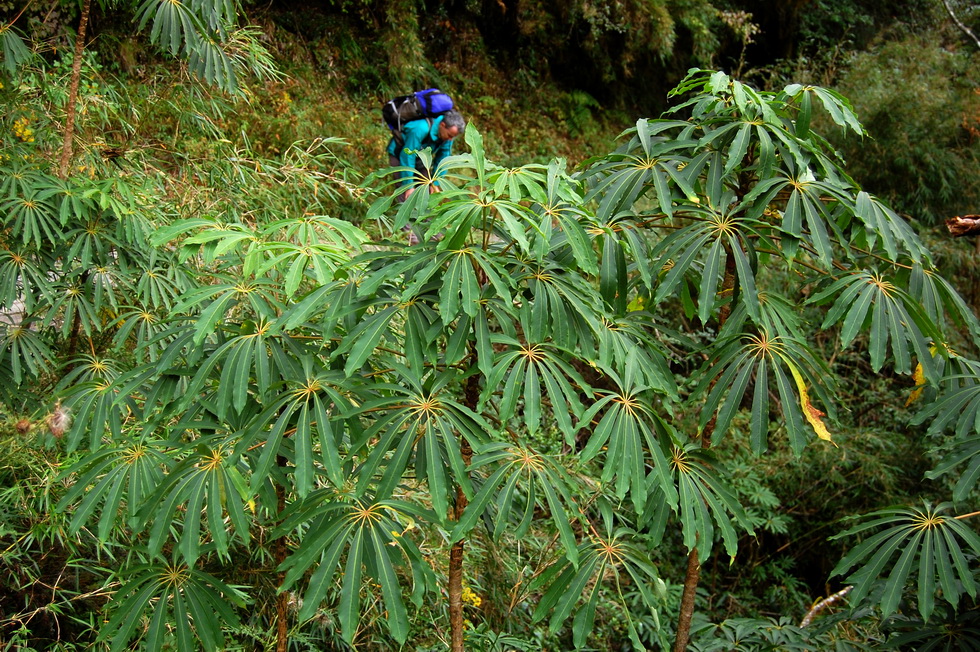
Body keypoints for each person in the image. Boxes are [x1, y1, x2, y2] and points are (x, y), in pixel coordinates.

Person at [386, 108, 465, 202]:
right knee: (405, 194)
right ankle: (402, 213)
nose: (450, 139)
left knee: (426, 191)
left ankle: (423, 215)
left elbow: (443, 160)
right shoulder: (420, 129)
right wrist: (409, 186)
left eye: (453, 137)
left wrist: (435, 183)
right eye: (450, 135)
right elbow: (407, 156)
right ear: (442, 125)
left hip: (420, 158)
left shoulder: (447, 138)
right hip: (399, 154)